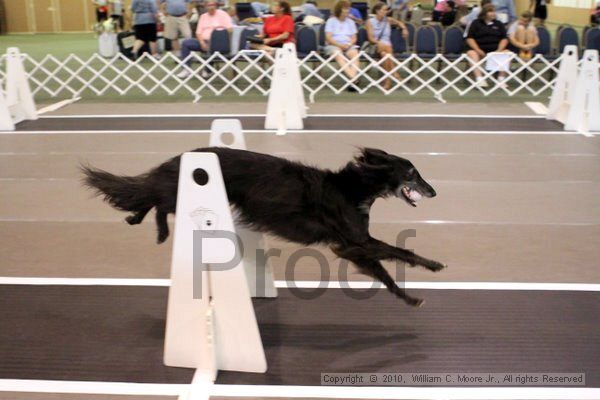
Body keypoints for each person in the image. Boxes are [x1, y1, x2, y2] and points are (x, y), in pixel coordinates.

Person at [177, 1, 233, 78]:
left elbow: (230, 30)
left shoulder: (223, 14)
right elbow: (198, 33)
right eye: (209, 5)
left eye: (213, 5)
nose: (211, 7)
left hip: (218, 42)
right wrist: (201, 42)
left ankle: (208, 70)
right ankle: (186, 69)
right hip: (203, 41)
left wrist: (218, 35)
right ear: (205, 7)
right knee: (186, 43)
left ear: (216, 6)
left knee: (210, 49)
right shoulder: (203, 16)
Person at [465, 3, 509, 87]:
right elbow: (470, 38)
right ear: (484, 13)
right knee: (472, 53)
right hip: (479, 49)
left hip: (495, 49)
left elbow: (504, 38)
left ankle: (501, 79)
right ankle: (479, 79)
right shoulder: (475, 23)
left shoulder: (499, 24)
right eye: (490, 11)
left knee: (506, 53)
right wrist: (478, 50)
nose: (493, 13)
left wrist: (499, 50)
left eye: (494, 11)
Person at [365, 2, 406, 89]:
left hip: (385, 50)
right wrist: (378, 43)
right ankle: (395, 73)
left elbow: (399, 23)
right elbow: (371, 39)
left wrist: (404, 28)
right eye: (384, 10)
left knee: (385, 55)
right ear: (377, 11)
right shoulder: (370, 22)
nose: (386, 11)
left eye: (386, 10)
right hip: (375, 46)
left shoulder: (388, 20)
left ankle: (388, 82)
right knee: (387, 48)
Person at [325, 0, 361, 90]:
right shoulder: (331, 21)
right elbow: (328, 38)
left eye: (348, 8)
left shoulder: (351, 22)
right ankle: (354, 79)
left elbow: (354, 38)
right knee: (338, 54)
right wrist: (340, 45)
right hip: (334, 45)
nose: (348, 10)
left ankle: (352, 80)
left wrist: (349, 44)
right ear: (339, 10)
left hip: (348, 45)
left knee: (355, 54)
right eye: (345, 8)